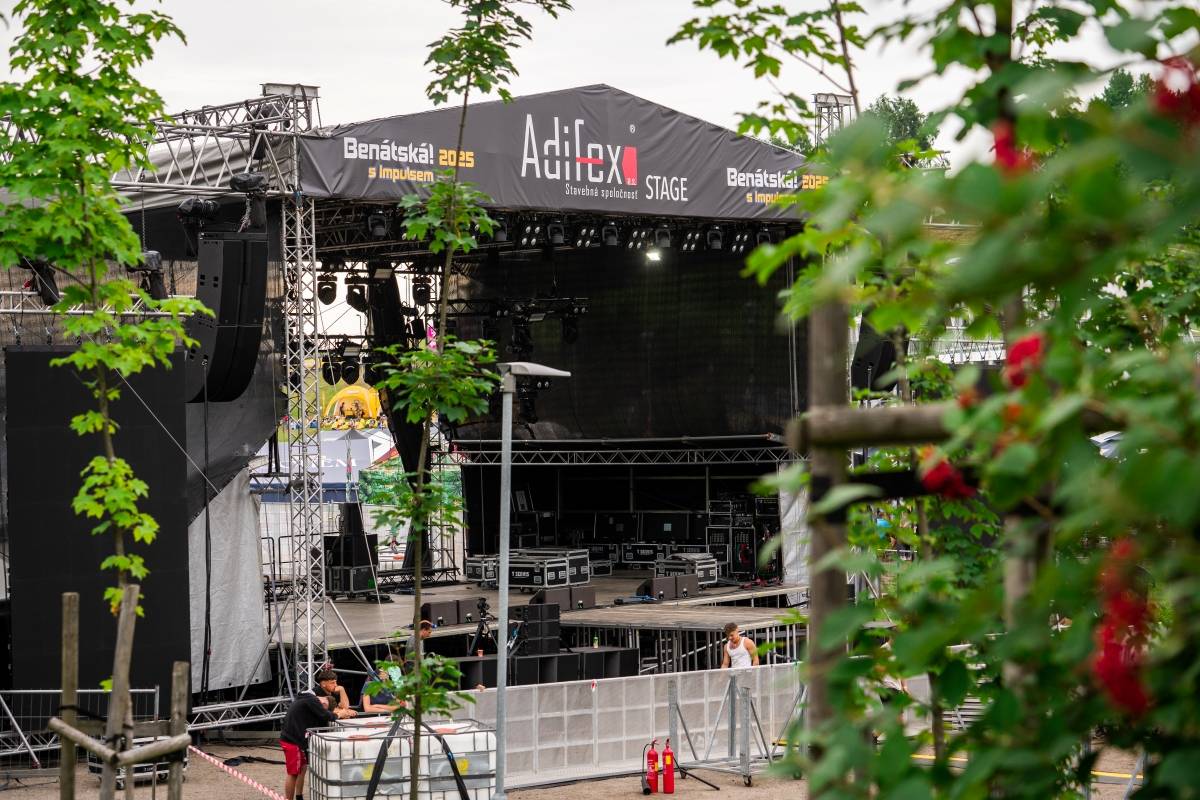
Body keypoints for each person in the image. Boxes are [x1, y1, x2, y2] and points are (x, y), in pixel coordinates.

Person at [280, 692, 338, 800]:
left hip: (293, 739)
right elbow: (326, 715)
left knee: (302, 768)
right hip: (292, 741)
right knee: (293, 773)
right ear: (325, 704)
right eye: (324, 708)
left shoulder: (308, 700)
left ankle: (299, 796)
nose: (322, 708)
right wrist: (337, 715)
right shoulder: (313, 700)